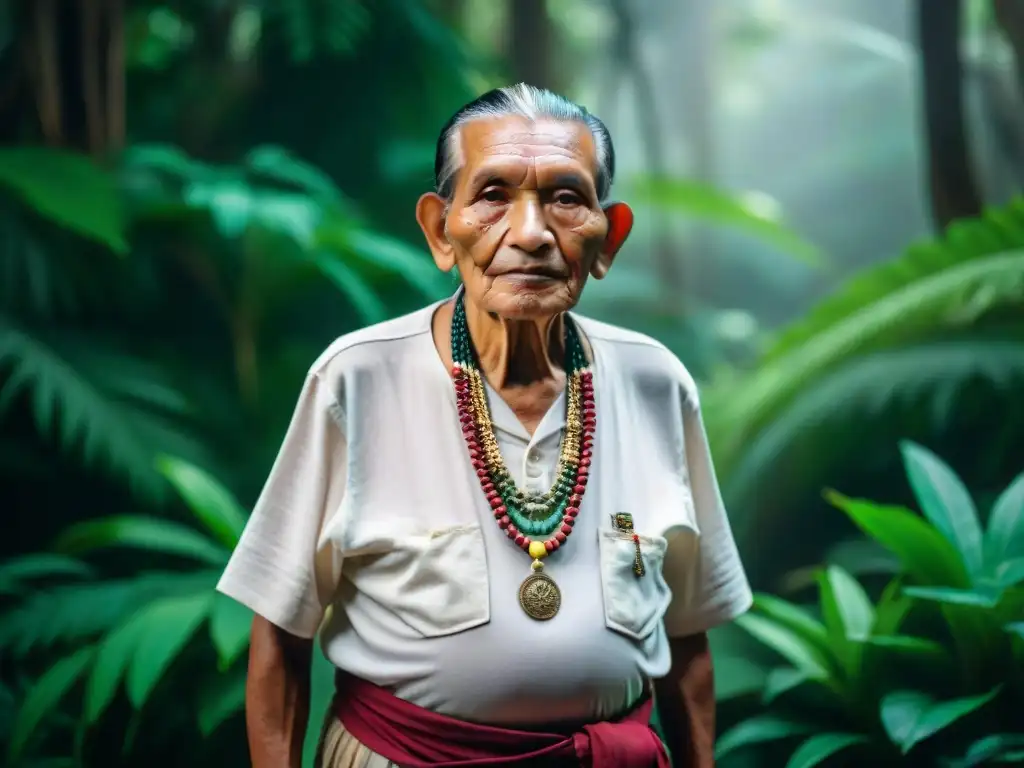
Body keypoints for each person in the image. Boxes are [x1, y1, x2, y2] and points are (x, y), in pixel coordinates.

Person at [217, 83, 753, 768]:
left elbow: (687, 637)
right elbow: (280, 640)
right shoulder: (355, 379)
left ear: (607, 238)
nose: (530, 234)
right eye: (493, 195)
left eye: (565, 198)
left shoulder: (655, 383)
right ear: (442, 230)